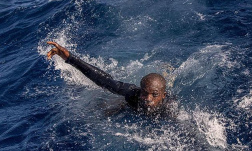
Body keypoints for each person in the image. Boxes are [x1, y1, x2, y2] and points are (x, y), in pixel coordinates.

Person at [46, 41, 176, 118]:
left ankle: (167, 73)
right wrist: (70, 58)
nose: (148, 98)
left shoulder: (170, 107)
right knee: (105, 109)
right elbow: (102, 79)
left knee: (164, 82)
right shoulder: (132, 93)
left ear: (163, 96)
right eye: (144, 93)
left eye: (154, 95)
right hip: (131, 105)